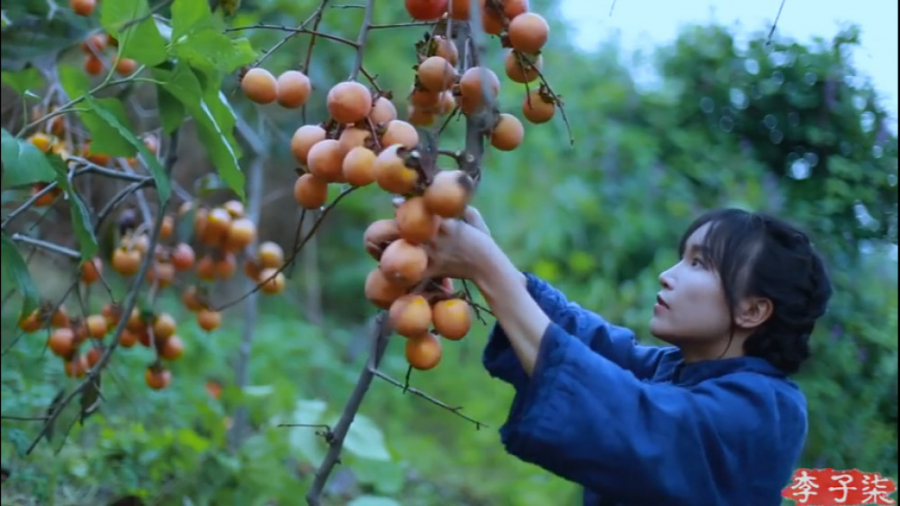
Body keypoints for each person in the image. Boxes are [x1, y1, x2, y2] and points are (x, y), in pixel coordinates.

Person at [420, 206, 834, 506]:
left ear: (753, 310)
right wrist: (488, 259)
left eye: (699, 264)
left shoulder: (765, 410)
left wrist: (487, 268)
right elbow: (594, 348)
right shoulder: (680, 372)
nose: (668, 275)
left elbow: (633, 415)